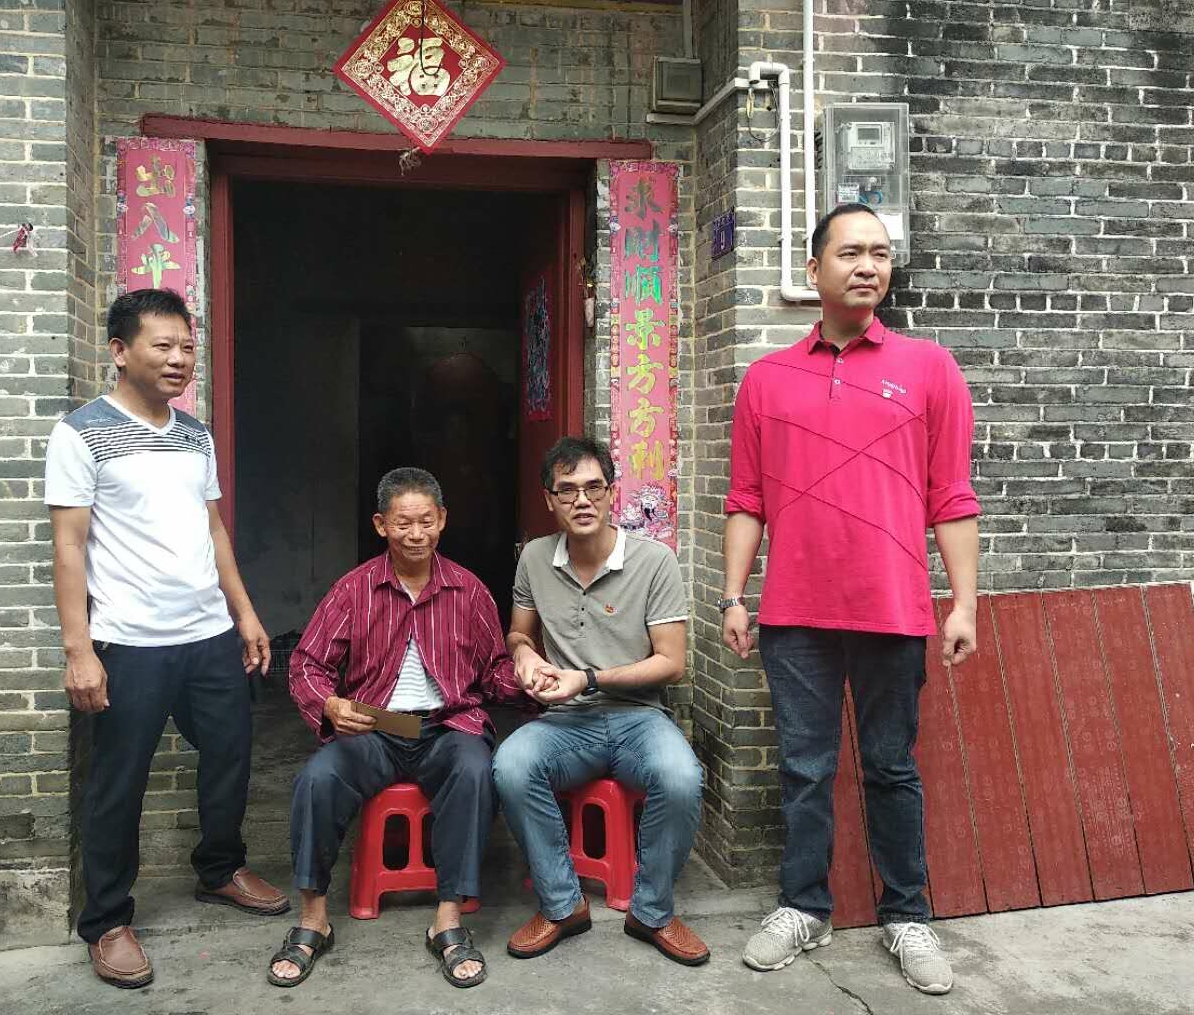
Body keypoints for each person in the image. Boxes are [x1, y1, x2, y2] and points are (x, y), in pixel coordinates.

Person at [723, 203, 980, 995]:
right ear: (814, 270)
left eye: (880, 253)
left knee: (891, 767)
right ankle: (804, 907)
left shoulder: (930, 368)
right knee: (804, 768)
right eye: (850, 252)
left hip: (893, 608)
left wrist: (963, 603)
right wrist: (733, 595)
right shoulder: (767, 378)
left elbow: (952, 496)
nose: (868, 265)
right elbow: (746, 499)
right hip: (793, 611)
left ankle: (907, 915)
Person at [45, 288, 288, 990]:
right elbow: (68, 548)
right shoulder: (80, 434)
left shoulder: (195, 435)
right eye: (164, 346)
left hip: (207, 632)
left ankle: (219, 869)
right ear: (120, 351)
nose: (180, 359)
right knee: (119, 781)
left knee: (230, 754)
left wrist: (244, 613)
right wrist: (79, 650)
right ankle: (107, 920)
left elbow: (212, 529)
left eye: (187, 346)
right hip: (129, 640)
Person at [269, 467, 529, 990]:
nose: (416, 534)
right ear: (381, 525)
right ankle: (313, 918)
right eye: (403, 523)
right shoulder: (355, 589)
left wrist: (532, 678)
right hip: (377, 728)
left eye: (426, 522)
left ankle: (448, 920)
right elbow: (307, 663)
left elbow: (493, 672)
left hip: (448, 724)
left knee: (475, 770)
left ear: (443, 520)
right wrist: (330, 704)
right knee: (318, 779)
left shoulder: (468, 590)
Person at [492, 437, 710, 968]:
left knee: (681, 777)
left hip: (639, 717)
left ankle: (652, 912)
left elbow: (672, 662)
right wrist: (525, 656)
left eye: (594, 487)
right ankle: (562, 905)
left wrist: (587, 678)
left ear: (613, 493)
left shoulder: (654, 561)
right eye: (567, 490)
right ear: (549, 500)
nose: (582, 500)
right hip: (567, 722)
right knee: (511, 765)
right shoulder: (535, 559)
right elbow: (518, 633)